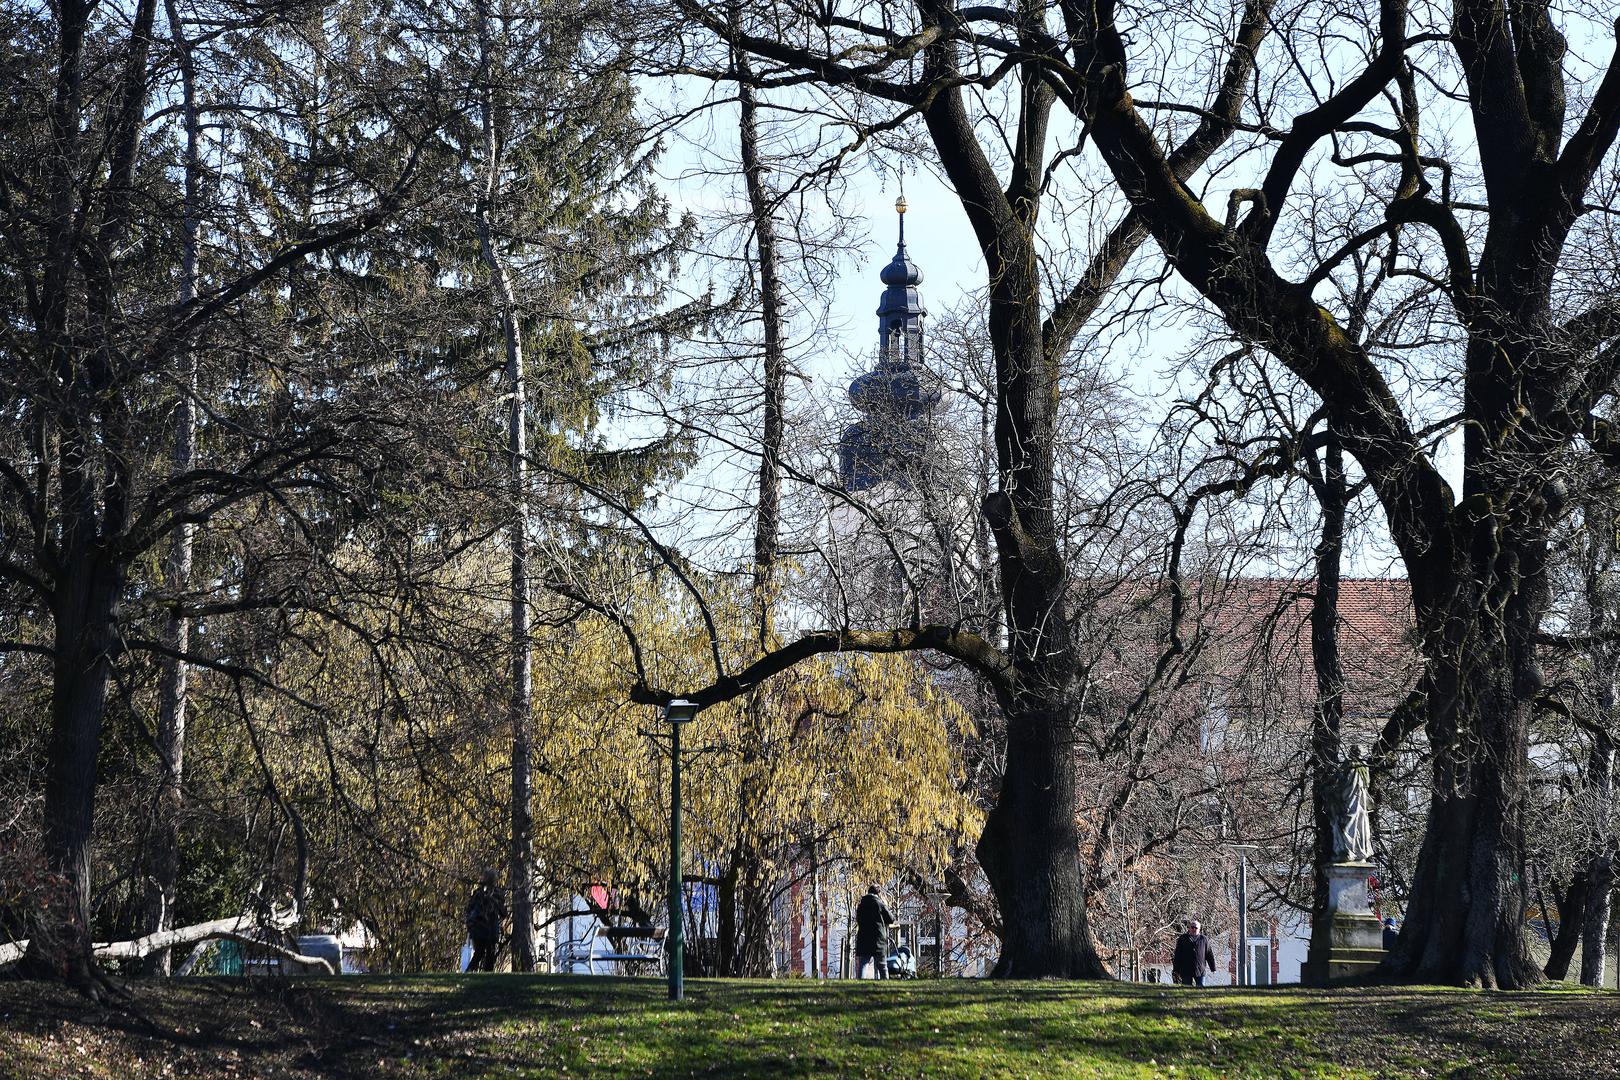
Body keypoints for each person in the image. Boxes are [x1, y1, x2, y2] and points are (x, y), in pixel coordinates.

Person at [465, 867, 507, 973]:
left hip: (479, 928)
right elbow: (503, 913)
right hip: (488, 929)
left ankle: (470, 972)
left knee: (480, 953)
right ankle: (487, 975)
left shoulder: (478, 893)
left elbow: (469, 910)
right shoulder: (496, 894)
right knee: (489, 954)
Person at [853, 885, 894, 980]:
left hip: (864, 938)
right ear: (878, 893)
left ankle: (860, 987)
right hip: (878, 939)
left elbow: (858, 920)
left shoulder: (861, 905)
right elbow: (891, 919)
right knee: (882, 966)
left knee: (863, 964)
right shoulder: (880, 904)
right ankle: (886, 986)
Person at [1172, 919, 1217, 987]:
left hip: (1200, 970)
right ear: (1189, 928)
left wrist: (1213, 967)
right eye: (1192, 927)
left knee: (1201, 988)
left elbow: (1209, 954)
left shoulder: (1204, 939)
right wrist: (1176, 969)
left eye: (1196, 928)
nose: (1194, 929)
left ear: (1199, 929)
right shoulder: (1183, 939)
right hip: (1186, 970)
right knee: (1186, 989)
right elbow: (1178, 955)